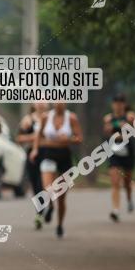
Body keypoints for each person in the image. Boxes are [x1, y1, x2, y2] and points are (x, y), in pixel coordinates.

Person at [30, 102, 82, 238]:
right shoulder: (46, 117)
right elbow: (38, 136)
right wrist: (35, 149)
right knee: (48, 188)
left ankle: (59, 225)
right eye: (57, 100)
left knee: (61, 196)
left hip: (64, 157)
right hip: (48, 155)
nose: (59, 103)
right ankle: (50, 207)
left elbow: (79, 138)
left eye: (62, 100)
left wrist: (69, 138)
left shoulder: (71, 118)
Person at [103, 93, 135, 221]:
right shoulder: (107, 118)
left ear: (124, 104)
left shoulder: (130, 117)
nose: (117, 105)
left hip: (128, 152)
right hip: (114, 152)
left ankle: (129, 199)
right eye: (115, 103)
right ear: (112, 104)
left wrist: (128, 128)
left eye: (120, 103)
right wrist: (109, 130)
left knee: (127, 183)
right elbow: (106, 133)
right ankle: (115, 210)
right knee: (115, 182)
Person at [16, 102, 50, 229]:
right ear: (33, 104)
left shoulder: (51, 118)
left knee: (44, 184)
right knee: (35, 185)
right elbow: (19, 138)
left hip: (48, 153)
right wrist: (34, 137)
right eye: (38, 100)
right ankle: (40, 212)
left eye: (43, 100)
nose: (41, 103)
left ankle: (46, 208)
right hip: (32, 155)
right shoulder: (28, 120)